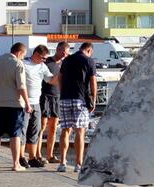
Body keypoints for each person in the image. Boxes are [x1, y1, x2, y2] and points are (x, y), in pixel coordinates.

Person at [0, 42, 31, 172]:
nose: (22, 58)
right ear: (19, 53)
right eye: (23, 55)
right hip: (13, 105)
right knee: (15, 135)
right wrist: (27, 103)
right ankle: (16, 164)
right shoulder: (17, 63)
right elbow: (21, 86)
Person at [55, 41, 97, 173]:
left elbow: (60, 78)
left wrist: (62, 92)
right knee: (80, 131)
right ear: (89, 50)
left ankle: (62, 163)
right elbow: (93, 82)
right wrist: (93, 99)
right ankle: (78, 164)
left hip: (65, 98)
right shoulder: (89, 61)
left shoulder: (67, 60)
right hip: (80, 100)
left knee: (65, 130)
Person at [21, 45, 52, 167]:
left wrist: (61, 74)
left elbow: (50, 79)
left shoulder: (42, 66)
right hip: (24, 102)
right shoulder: (23, 64)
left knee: (35, 129)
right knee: (23, 129)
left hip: (36, 102)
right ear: (36, 54)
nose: (44, 60)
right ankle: (20, 156)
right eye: (43, 58)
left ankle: (32, 157)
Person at [41, 41, 68, 162]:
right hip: (45, 96)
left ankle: (50, 155)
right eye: (62, 51)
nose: (63, 54)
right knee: (42, 126)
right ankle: (37, 154)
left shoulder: (65, 64)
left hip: (57, 97)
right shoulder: (47, 62)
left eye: (66, 53)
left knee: (53, 128)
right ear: (57, 49)